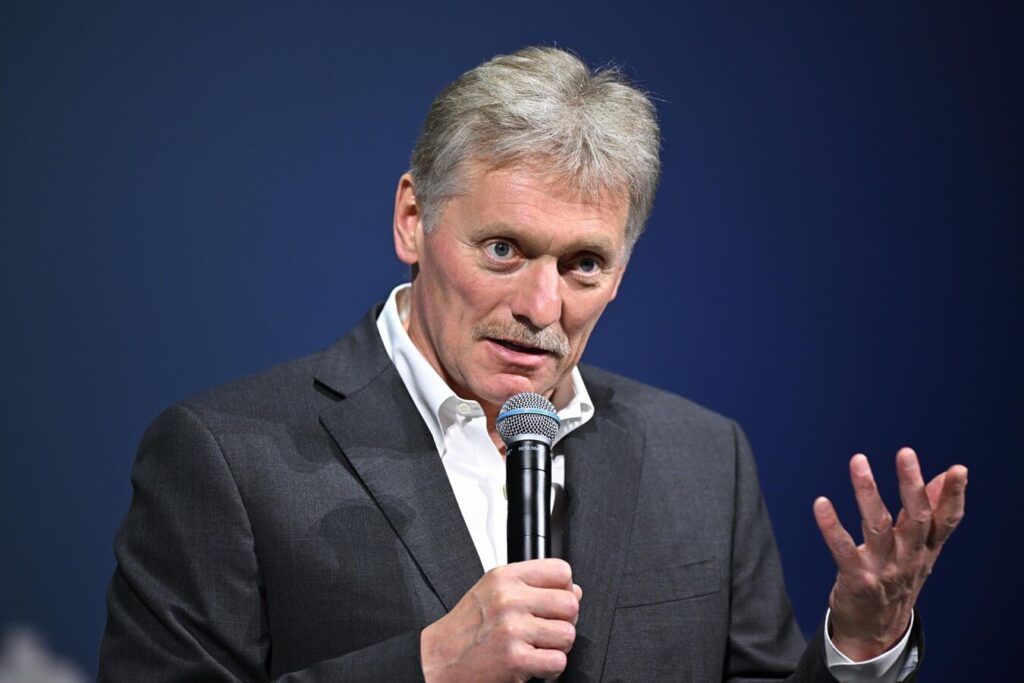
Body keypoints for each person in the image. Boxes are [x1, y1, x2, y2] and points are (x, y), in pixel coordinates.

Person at [99, 47, 967, 682]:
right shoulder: (225, 455)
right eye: (504, 248)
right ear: (412, 220)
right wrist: (428, 665)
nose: (541, 307)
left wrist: (860, 645)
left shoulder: (705, 458)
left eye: (583, 263)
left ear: (622, 271)